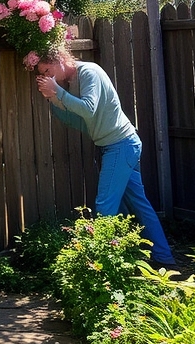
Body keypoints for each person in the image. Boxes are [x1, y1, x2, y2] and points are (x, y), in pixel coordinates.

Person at [32, 44, 177, 267]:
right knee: (139, 205)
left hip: (120, 145)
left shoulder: (89, 72)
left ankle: (102, 267)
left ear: (60, 58)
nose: (47, 77)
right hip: (117, 146)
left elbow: (88, 109)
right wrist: (53, 100)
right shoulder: (71, 83)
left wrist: (58, 93)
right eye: (43, 74)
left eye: (47, 71)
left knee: (105, 205)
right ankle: (164, 257)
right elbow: (80, 121)